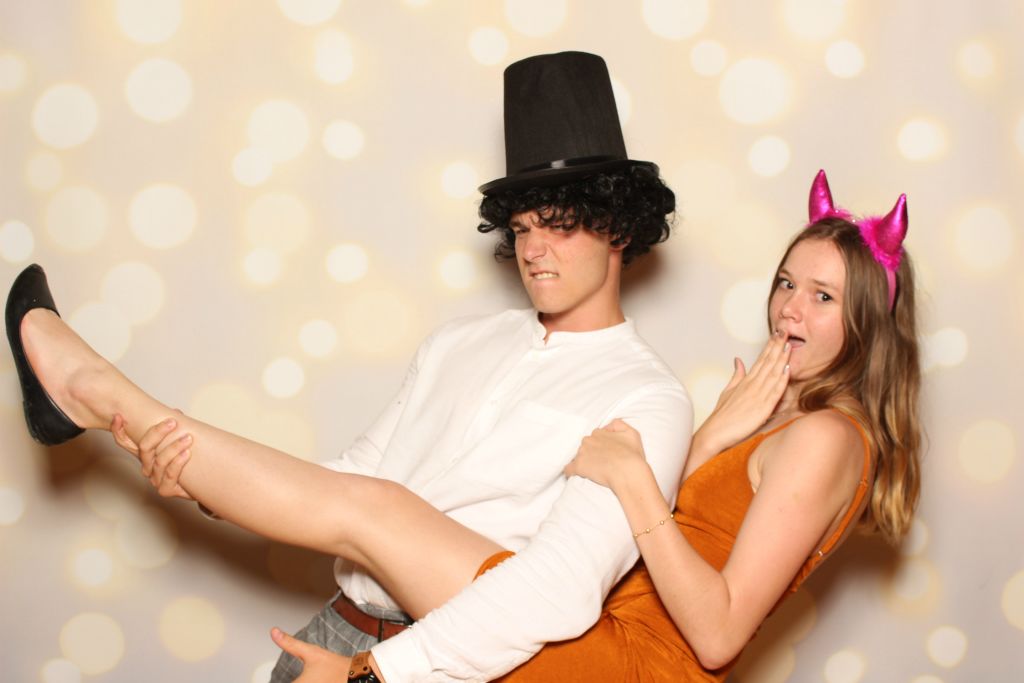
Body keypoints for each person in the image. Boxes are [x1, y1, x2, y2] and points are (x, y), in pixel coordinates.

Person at [5, 51, 692, 682]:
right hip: (336, 629)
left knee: (380, 510)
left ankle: (91, 390)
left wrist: (375, 672)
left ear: (619, 225)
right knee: (366, 497)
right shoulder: (457, 342)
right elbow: (347, 481)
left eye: (560, 224)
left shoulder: (646, 396)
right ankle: (98, 400)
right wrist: (205, 482)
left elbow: (559, 590)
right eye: (522, 228)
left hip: (439, 662)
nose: (534, 250)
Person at [134, 168, 924, 683]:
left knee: (377, 510)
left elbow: (717, 634)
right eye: (786, 282)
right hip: (515, 637)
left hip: (616, 666)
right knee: (371, 503)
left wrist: (636, 482)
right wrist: (712, 438)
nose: (789, 308)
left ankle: (108, 400)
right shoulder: (781, 421)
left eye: (823, 296)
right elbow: (686, 534)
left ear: (867, 317)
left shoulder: (826, 437)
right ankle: (131, 416)